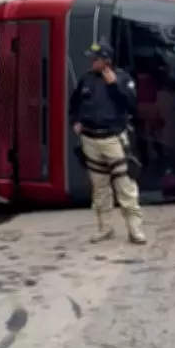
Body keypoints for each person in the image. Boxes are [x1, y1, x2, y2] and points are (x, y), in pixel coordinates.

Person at [68, 41, 146, 245]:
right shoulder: (85, 80)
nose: (91, 62)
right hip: (90, 140)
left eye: (95, 59)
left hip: (113, 138)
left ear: (106, 61)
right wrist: (75, 121)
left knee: (125, 185)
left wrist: (114, 86)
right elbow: (74, 104)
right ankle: (105, 228)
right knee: (100, 187)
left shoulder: (122, 79)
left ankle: (135, 229)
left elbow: (131, 105)